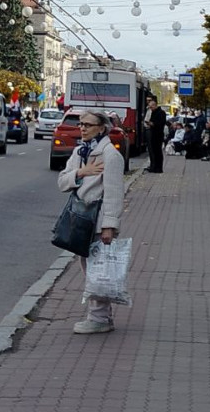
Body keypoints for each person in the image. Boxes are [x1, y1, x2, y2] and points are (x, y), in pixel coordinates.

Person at [56, 110, 125, 334]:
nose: (82, 128)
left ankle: (99, 318)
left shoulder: (111, 156)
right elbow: (62, 182)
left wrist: (109, 226)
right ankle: (102, 316)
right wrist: (81, 172)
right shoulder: (80, 151)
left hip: (98, 221)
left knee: (98, 270)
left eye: (88, 124)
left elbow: (114, 194)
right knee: (91, 268)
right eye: (81, 124)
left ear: (102, 128)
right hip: (81, 218)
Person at [144, 97, 166, 173]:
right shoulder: (154, 112)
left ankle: (159, 168)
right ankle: (154, 167)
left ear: (154, 105)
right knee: (154, 151)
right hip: (153, 133)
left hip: (158, 134)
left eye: (151, 107)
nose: (151, 108)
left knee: (158, 151)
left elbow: (160, 123)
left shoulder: (161, 113)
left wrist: (152, 123)